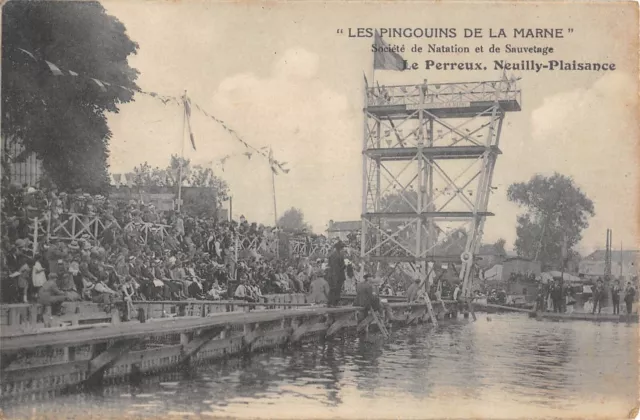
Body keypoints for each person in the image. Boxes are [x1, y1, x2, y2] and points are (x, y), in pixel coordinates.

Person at [326, 241, 346, 307]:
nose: (343, 250)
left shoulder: (336, 254)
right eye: (342, 248)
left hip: (336, 275)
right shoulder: (335, 255)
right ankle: (333, 303)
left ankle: (332, 303)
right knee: (335, 289)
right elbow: (335, 267)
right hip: (336, 275)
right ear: (340, 248)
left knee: (335, 289)